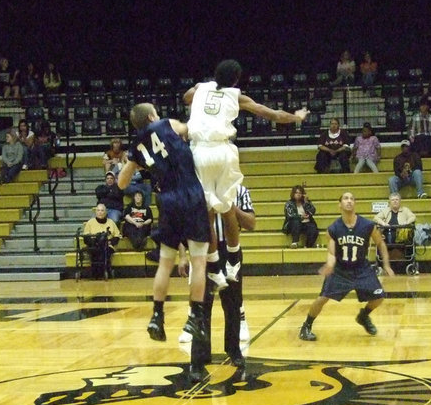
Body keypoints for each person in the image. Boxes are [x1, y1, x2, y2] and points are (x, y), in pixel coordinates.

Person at [183, 59, 308, 290]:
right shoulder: (236, 96)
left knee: (207, 214)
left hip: (198, 152)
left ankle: (215, 269)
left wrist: (200, 90)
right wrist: (297, 117)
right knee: (228, 207)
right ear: (236, 80)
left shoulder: (200, 88)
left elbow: (186, 97)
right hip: (223, 151)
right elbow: (273, 115)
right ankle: (233, 261)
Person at [119, 103, 211, 381]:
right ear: (151, 116)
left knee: (165, 263)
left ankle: (157, 315)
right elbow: (189, 129)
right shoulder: (166, 123)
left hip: (167, 200)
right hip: (191, 194)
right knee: (199, 261)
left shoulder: (137, 146)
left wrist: (133, 161)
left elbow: (121, 183)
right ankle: (195, 316)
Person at [299, 192, 394, 342]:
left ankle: (363, 316)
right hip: (341, 270)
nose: (349, 201)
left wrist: (386, 265)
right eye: (345, 198)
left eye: (352, 199)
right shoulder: (333, 228)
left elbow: (380, 244)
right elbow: (331, 252)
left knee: (379, 297)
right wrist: (330, 264)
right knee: (322, 298)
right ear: (340, 204)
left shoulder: (367, 225)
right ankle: (306, 326)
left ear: (355, 203)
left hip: (361, 268)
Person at [181, 184, 256, 365]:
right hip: (203, 250)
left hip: (230, 250)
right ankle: (199, 358)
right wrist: (183, 255)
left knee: (233, 304)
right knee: (201, 304)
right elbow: (182, 225)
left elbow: (251, 223)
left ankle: (234, 350)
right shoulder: (196, 188)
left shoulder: (240, 190)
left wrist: (230, 208)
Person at [82, 204, 121, 279]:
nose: (100, 212)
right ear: (96, 212)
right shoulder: (90, 222)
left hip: (108, 245)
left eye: (102, 210)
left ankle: (103, 272)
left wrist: (110, 242)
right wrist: (94, 242)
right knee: (95, 251)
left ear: (105, 212)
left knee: (104, 252)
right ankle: (96, 273)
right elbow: (86, 238)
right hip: (94, 245)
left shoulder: (111, 222)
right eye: (98, 210)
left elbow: (117, 236)